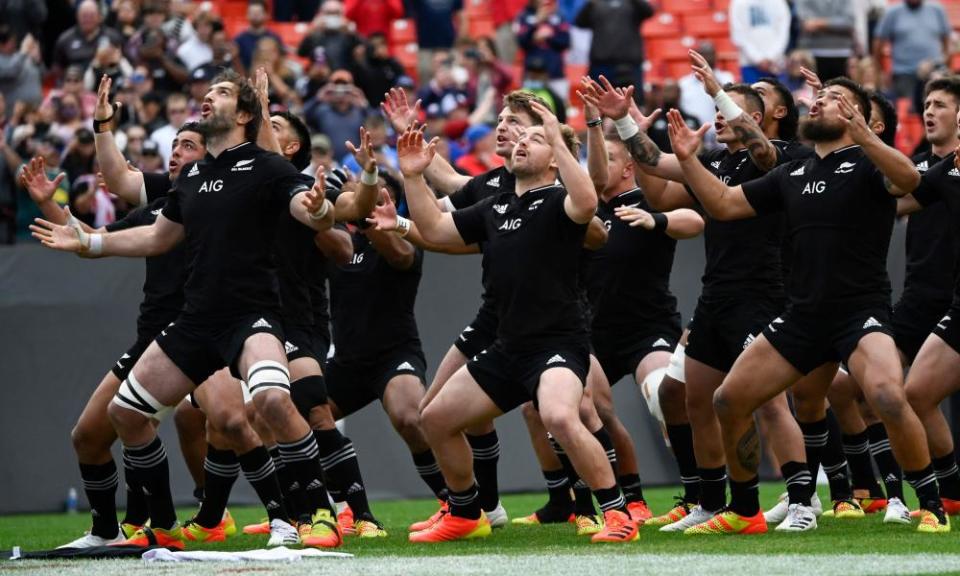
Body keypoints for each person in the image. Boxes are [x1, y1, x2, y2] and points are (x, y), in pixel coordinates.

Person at [30, 69, 344, 548]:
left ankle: (316, 513)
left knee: (271, 401)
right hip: (196, 319)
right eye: (207, 92)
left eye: (219, 93)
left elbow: (308, 209)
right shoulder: (192, 176)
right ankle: (162, 529)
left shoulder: (266, 166)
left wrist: (321, 209)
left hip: (252, 315)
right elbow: (158, 236)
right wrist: (91, 241)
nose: (206, 98)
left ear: (242, 114)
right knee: (125, 414)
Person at [673, 76, 950, 534]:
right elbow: (722, 204)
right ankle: (744, 512)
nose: (818, 103)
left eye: (833, 99)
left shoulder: (868, 163)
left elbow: (910, 179)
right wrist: (687, 161)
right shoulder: (790, 172)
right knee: (728, 399)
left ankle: (931, 503)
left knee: (886, 395)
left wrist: (866, 136)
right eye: (818, 98)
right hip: (802, 314)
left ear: (857, 116)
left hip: (860, 311)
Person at [398, 99, 640, 542]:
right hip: (508, 346)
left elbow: (587, 200)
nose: (523, 142)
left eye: (535, 138)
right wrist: (413, 175)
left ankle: (617, 514)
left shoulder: (561, 202)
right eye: (519, 138)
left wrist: (555, 130)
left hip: (557, 343)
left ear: (554, 157)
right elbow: (432, 230)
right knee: (433, 420)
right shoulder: (496, 206)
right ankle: (468, 514)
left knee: (560, 417)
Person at [19, 106, 204, 548]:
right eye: (174, 144)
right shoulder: (162, 208)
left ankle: (171, 525)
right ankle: (107, 531)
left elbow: (120, 183)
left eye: (188, 146)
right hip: (150, 339)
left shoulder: (221, 205)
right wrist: (49, 202)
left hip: (196, 337)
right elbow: (89, 235)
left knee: (218, 420)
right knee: (87, 436)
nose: (175, 153)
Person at [872, 0, 950, 101]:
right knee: (907, 112)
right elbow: (878, 42)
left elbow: (947, 42)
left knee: (937, 106)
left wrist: (942, 62)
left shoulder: (937, 9)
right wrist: (880, 72)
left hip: (934, 72)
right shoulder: (892, 12)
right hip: (904, 74)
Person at [574, 0, 653, 97]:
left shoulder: (632, 4)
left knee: (633, 103)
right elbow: (579, 22)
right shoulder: (596, 4)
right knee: (598, 102)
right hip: (601, 64)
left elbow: (649, 12)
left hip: (629, 64)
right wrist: (590, 4)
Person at [52, 0, 124, 77]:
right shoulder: (65, 39)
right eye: (84, 15)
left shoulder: (113, 37)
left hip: (106, 80)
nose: (87, 19)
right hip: (75, 82)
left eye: (91, 15)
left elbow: (122, 63)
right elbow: (57, 69)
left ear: (100, 17)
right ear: (77, 16)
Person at [729, 0, 791, 84]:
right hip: (749, 64)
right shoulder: (738, 2)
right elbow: (738, 35)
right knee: (752, 96)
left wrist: (771, 57)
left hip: (776, 63)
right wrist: (758, 59)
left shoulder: (779, 2)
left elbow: (784, 32)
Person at [793, 0, 856, 83]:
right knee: (812, 93)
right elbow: (806, 23)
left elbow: (849, 22)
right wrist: (835, 24)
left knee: (840, 93)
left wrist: (819, 24)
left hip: (842, 55)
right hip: (811, 55)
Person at [297, 1, 362, 72]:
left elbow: (365, 49)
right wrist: (312, 30)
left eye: (336, 13)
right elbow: (301, 52)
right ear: (321, 14)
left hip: (342, 76)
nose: (332, 17)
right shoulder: (315, 34)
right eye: (329, 13)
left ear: (342, 15)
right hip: (319, 77)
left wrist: (351, 32)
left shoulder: (348, 35)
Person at [234, 0, 282, 71]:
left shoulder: (275, 38)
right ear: (247, 14)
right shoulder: (239, 39)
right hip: (247, 77)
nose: (255, 16)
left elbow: (280, 62)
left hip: (271, 76)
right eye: (252, 13)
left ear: (267, 15)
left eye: (258, 13)